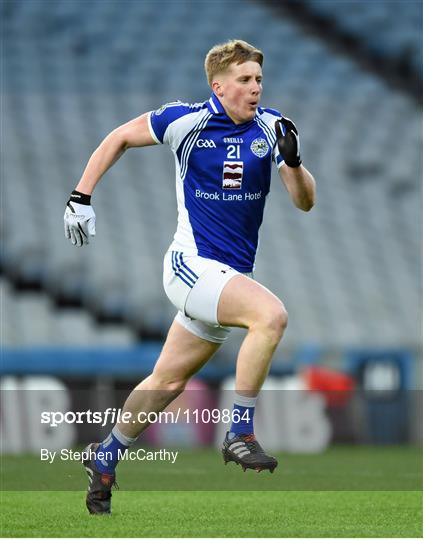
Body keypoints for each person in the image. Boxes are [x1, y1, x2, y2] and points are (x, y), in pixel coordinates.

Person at [64, 39, 316, 514]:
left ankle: (104, 459)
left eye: (259, 79)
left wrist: (296, 163)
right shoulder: (186, 121)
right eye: (244, 80)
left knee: (168, 381)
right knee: (271, 316)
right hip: (190, 266)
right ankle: (240, 431)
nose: (255, 88)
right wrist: (81, 196)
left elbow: (305, 202)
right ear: (218, 86)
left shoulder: (274, 127)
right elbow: (117, 137)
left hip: (227, 276)